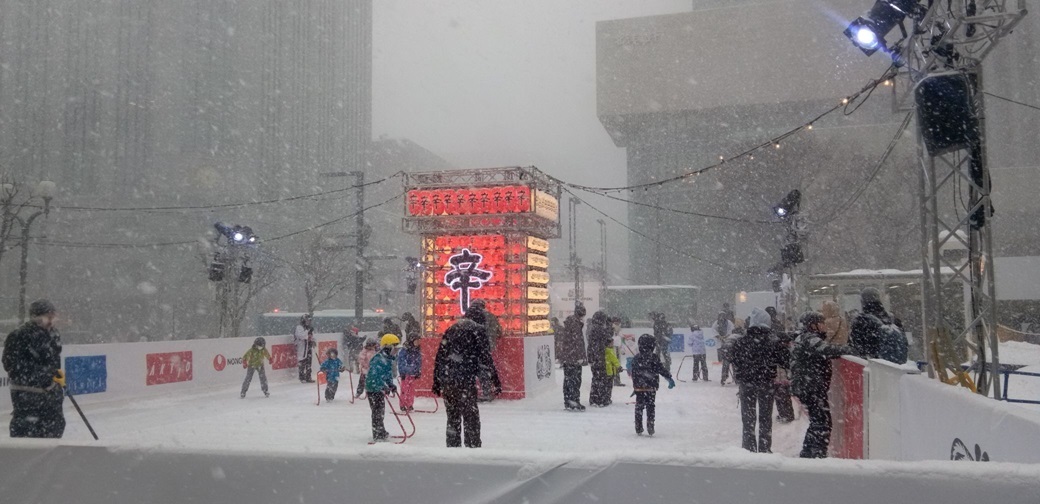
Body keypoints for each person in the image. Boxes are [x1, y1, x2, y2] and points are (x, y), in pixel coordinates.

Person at [791, 311, 857, 458]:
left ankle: (809, 453)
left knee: (818, 421)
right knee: (822, 422)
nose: (824, 327)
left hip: (808, 386)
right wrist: (850, 350)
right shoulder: (810, 338)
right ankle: (816, 455)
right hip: (811, 387)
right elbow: (826, 350)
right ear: (813, 325)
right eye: (821, 323)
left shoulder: (803, 338)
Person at [433, 310, 501, 448]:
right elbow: (485, 357)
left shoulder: (451, 330)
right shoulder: (478, 331)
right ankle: (473, 449)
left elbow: (440, 356)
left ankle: (453, 450)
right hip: (466, 381)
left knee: (452, 418)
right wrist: (495, 380)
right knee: (471, 418)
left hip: (449, 381)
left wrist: (437, 381)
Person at [2, 300, 65, 438]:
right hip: (28, 397)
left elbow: (53, 361)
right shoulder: (19, 336)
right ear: (36, 317)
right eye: (48, 317)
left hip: (50, 397)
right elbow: (12, 366)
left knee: (54, 428)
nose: (51, 321)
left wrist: (56, 380)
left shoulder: (53, 334)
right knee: (28, 435)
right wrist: (45, 373)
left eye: (53, 317)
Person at [730, 307, 785, 453]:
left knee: (748, 419)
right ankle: (765, 448)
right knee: (765, 419)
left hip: (746, 385)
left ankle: (748, 448)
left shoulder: (741, 342)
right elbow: (785, 360)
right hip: (766, 384)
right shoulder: (773, 342)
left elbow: (733, 360)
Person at [628, 334, 675, 436]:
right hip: (651, 387)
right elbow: (660, 369)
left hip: (639, 387)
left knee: (639, 407)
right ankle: (650, 424)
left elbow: (634, 373)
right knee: (651, 406)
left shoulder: (636, 358)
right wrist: (669, 377)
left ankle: (638, 426)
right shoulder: (654, 357)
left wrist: (635, 386)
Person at [851, 288, 908, 364]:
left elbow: (856, 347)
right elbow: (904, 343)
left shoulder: (861, 320)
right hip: (895, 367)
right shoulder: (893, 319)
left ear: (862, 301)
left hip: (873, 366)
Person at [365, 334, 399, 442]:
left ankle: (381, 430)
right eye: (394, 348)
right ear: (388, 347)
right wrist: (383, 386)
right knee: (377, 412)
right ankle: (377, 433)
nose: (396, 351)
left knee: (381, 411)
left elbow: (387, 374)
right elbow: (375, 376)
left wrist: (390, 384)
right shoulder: (378, 359)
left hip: (379, 388)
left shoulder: (387, 359)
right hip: (373, 389)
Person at [469, 300, 502, 402]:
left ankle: (468, 393)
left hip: (470, 347)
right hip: (485, 346)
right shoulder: (490, 316)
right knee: (484, 369)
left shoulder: (467, 316)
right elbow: (499, 332)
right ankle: (486, 392)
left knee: (468, 370)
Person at [559, 303, 588, 411]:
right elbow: (578, 342)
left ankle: (568, 401)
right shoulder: (575, 324)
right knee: (575, 380)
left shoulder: (570, 323)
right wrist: (581, 357)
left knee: (568, 380)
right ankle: (574, 401)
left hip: (568, 357)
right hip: (574, 358)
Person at [587, 311, 613, 407]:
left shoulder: (592, 328)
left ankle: (594, 398)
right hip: (600, 357)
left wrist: (590, 357)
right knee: (602, 378)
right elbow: (608, 338)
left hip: (594, 356)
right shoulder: (601, 329)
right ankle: (601, 399)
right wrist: (609, 326)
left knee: (596, 378)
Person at [396, 334, 422, 412]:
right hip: (406, 374)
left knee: (411, 390)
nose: (418, 343)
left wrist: (418, 371)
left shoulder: (417, 350)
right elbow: (401, 362)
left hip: (413, 374)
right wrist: (403, 372)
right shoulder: (405, 350)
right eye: (416, 341)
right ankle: (403, 404)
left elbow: (418, 362)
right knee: (405, 390)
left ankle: (410, 404)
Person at [293, 314, 315, 383]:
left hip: (308, 347)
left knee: (309, 362)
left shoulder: (309, 328)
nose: (308, 322)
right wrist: (307, 332)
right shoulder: (299, 327)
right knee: (302, 362)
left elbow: (312, 336)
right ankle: (301, 377)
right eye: (307, 320)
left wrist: (313, 341)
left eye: (309, 320)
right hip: (302, 347)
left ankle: (308, 376)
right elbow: (301, 336)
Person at [610, 316, 626, 387]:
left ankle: (617, 380)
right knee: (614, 365)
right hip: (613, 349)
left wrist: (622, 349)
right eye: (617, 323)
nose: (618, 324)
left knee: (617, 365)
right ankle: (615, 380)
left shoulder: (619, 330)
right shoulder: (611, 329)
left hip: (617, 349)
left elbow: (622, 341)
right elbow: (614, 340)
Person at [603, 338, 621, 404]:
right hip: (610, 371)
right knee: (609, 386)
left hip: (606, 370)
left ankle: (605, 397)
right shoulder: (609, 351)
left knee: (606, 385)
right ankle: (607, 398)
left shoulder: (604, 350)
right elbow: (614, 360)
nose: (613, 344)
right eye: (612, 343)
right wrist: (618, 366)